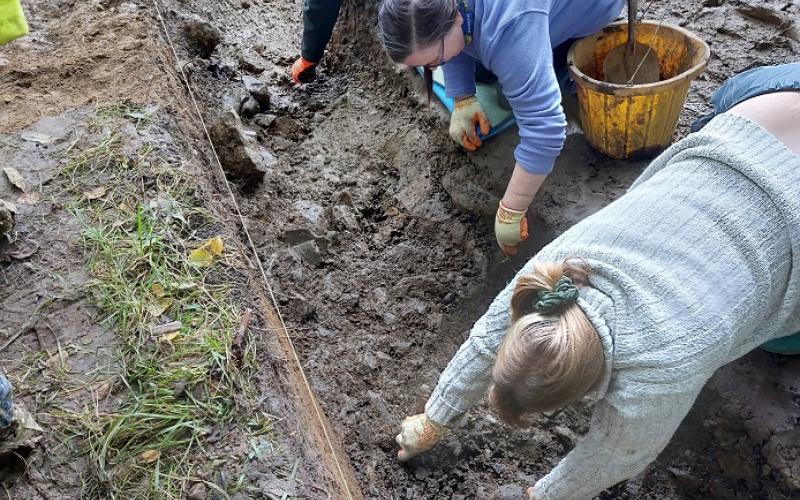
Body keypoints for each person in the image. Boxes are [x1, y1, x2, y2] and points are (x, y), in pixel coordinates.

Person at [394, 63, 800, 500]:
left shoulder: (661, 368)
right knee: (722, 100)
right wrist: (432, 420)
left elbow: (616, 453)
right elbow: (484, 342)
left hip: (768, 152)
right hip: (761, 112)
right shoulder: (554, 276)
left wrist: (541, 495)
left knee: (781, 339)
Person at [378, 0, 625, 256]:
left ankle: (569, 65)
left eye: (436, 60)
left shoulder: (510, 28)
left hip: (593, 7)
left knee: (512, 91)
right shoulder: (444, 11)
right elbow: (449, 29)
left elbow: (546, 129)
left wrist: (512, 209)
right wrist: (462, 95)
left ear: (456, 18)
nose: (435, 68)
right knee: (488, 68)